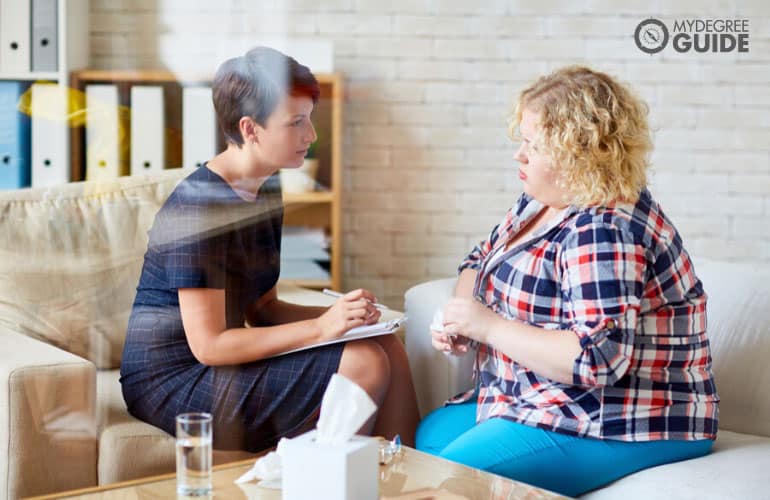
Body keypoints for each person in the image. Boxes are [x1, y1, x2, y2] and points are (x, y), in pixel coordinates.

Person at [416, 66, 719, 497]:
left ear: (578, 153)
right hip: (542, 394)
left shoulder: (603, 229)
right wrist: (458, 318)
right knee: (431, 435)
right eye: (521, 140)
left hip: (627, 416)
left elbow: (599, 360)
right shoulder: (542, 202)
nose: (518, 155)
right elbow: (479, 259)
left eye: (533, 146)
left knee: (450, 473)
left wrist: (487, 326)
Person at [120, 46, 419, 451]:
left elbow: (263, 312)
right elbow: (208, 346)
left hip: (218, 360)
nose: (310, 136)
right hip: (172, 380)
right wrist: (320, 328)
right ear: (250, 128)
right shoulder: (197, 207)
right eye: (296, 122)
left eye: (309, 119)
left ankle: (403, 480)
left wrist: (342, 317)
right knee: (363, 360)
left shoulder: (266, 186)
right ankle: (330, 485)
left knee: (384, 345)